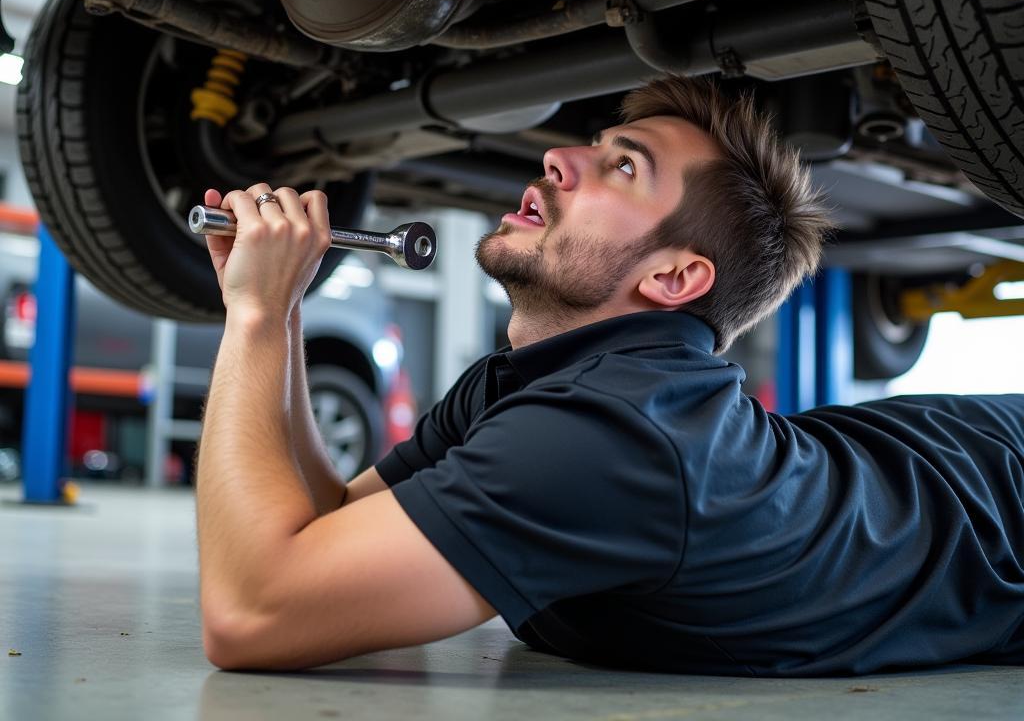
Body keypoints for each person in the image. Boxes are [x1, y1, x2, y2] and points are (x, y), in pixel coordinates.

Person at [194, 75, 1024, 676]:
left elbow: (253, 610)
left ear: (673, 278)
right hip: (922, 460)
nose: (558, 158)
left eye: (622, 167)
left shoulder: (614, 436)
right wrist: (287, 306)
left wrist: (257, 317)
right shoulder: (527, 387)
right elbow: (330, 517)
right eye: (594, 149)